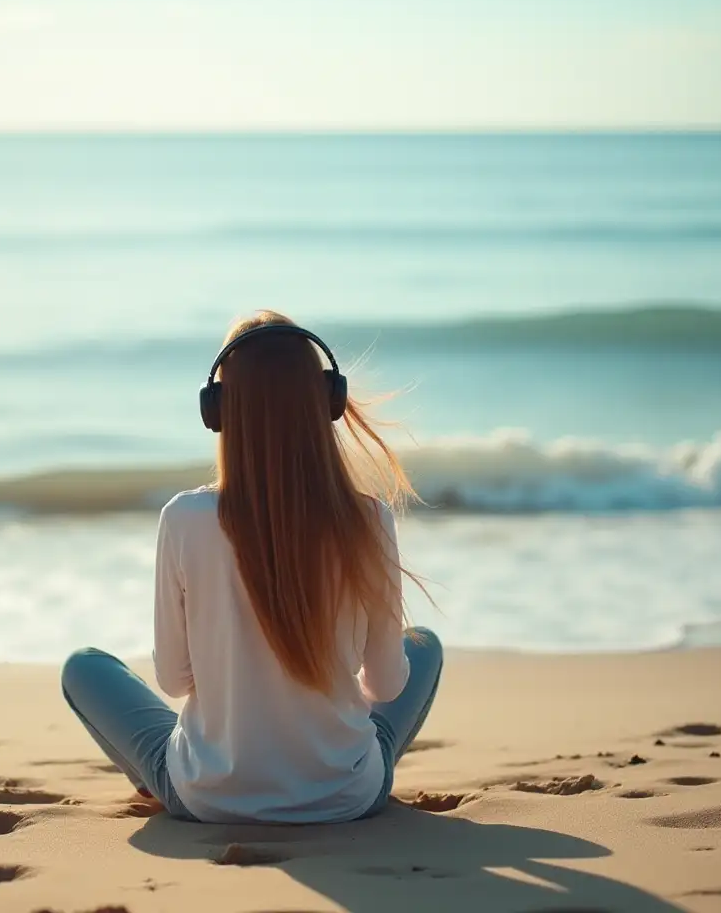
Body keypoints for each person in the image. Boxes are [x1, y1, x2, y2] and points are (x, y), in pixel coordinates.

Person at [60, 310, 442, 823]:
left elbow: (173, 681)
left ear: (218, 410)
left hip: (211, 797)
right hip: (345, 796)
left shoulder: (184, 519)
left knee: (83, 667)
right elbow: (386, 687)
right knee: (426, 647)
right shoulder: (368, 518)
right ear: (326, 402)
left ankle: (173, 778)